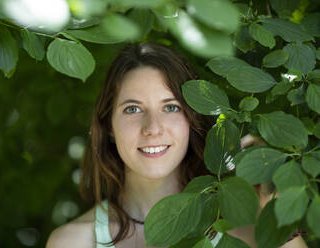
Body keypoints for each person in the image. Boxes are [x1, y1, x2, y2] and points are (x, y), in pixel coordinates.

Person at [46, 43, 307, 248]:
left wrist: (272, 207)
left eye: (170, 107)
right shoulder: (73, 242)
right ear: (109, 125)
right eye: (133, 109)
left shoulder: (244, 230)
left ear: (192, 119)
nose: (153, 128)